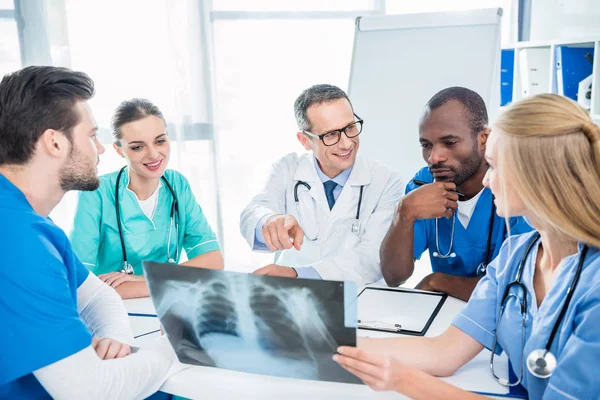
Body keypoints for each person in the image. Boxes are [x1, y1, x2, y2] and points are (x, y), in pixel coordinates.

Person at [334, 94, 600, 399]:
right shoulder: (518, 255)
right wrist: (329, 342)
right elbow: (443, 352)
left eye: (496, 167)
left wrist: (405, 381)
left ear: (538, 175)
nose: (487, 180)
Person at [0, 66, 176, 399]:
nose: (99, 149)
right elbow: (90, 391)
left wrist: (116, 340)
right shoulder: (16, 239)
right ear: (54, 142)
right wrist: (178, 348)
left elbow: (98, 296)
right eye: (91, 136)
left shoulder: (25, 217)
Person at [239, 84, 403, 284]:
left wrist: (298, 274)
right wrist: (268, 220)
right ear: (305, 141)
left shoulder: (386, 180)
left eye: (350, 128)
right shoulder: (288, 169)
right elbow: (254, 210)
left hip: (360, 297)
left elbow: (372, 258)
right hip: (293, 292)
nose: (346, 143)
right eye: (331, 135)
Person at [380, 87, 532, 301]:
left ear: (484, 138)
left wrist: (437, 281)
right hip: (444, 319)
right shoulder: (421, 185)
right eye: (426, 145)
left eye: (449, 143)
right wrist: (403, 213)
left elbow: (515, 287)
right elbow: (394, 277)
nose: (435, 157)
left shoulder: (517, 190)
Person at [70, 98, 224, 299]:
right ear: (119, 150)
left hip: (168, 307)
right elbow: (81, 282)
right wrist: (177, 280)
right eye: (137, 147)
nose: (153, 154)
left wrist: (143, 280)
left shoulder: (177, 184)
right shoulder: (97, 192)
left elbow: (214, 262)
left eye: (160, 141)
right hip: (116, 312)